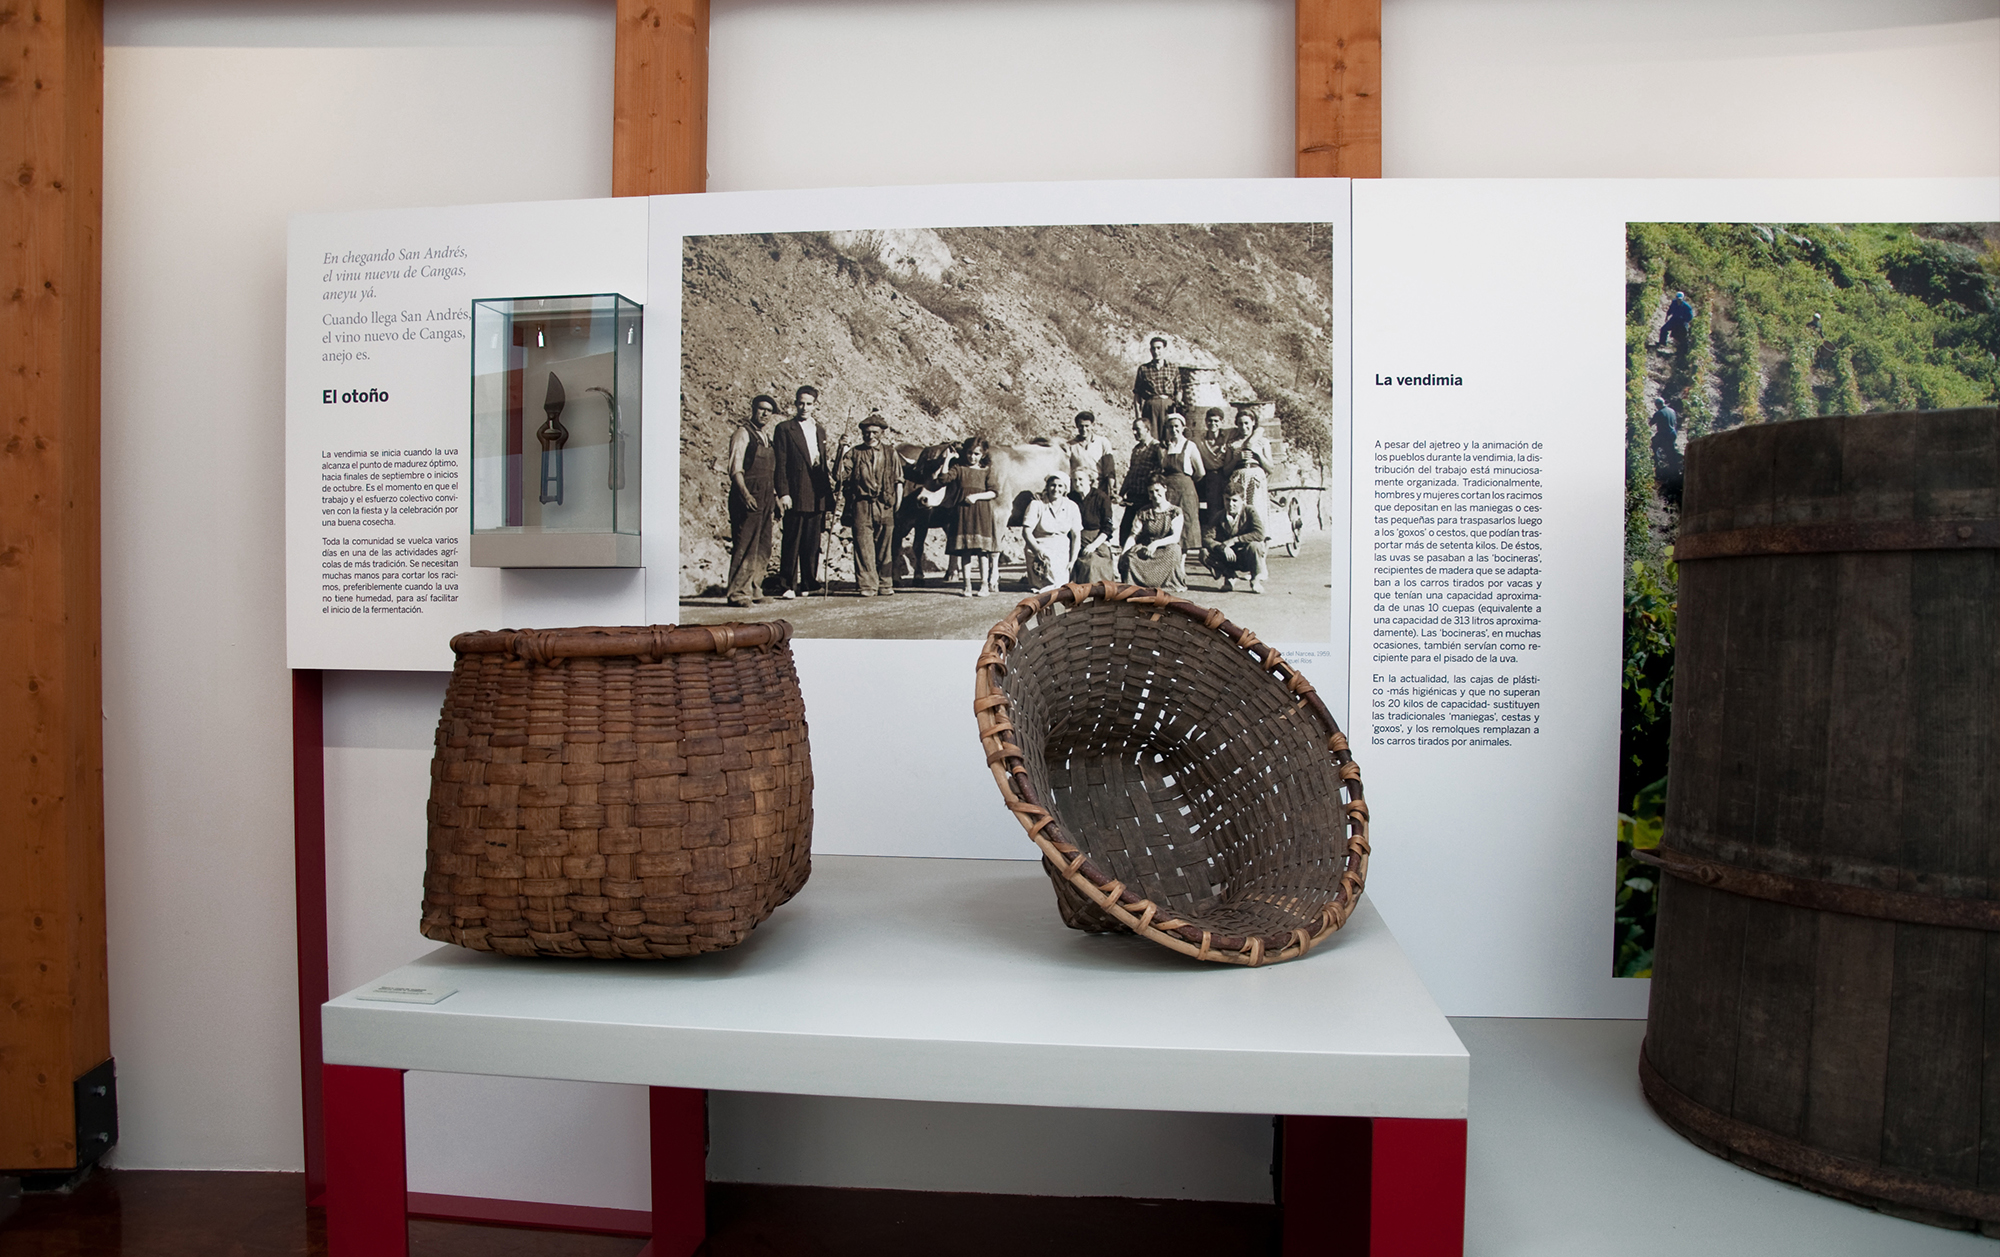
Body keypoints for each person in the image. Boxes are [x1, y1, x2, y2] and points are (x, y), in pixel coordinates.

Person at [773, 385, 835, 598]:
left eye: (809, 404)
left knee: (812, 541)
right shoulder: (784, 428)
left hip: (816, 492)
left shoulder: (819, 429)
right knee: (792, 539)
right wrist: (783, 492)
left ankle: (809, 582)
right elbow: (780, 463)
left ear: (815, 405)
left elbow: (822, 462)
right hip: (796, 491)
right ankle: (788, 584)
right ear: (795, 403)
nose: (804, 407)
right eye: (801, 403)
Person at [723, 394, 781, 607]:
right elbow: (735, 468)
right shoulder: (742, 433)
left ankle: (755, 588)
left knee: (763, 544)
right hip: (748, 494)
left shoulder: (766, 437)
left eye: (769, 410)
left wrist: (774, 498)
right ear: (753, 409)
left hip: (766, 496)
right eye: (761, 409)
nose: (764, 413)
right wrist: (745, 494)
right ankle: (737, 592)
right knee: (745, 544)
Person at [841, 412, 903, 597]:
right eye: (867, 432)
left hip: (885, 504)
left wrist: (896, 503)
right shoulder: (854, 452)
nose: (870, 436)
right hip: (861, 504)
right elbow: (840, 476)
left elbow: (899, 479)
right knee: (863, 545)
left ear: (882, 433)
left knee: (885, 547)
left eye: (875, 432)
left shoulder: (891, 452)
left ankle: (885, 584)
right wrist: (841, 450)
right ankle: (867, 585)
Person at [939, 436, 999, 597]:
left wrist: (976, 497)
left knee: (982, 552)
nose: (972, 457)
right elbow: (943, 478)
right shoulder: (959, 468)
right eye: (970, 453)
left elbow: (994, 491)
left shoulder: (987, 470)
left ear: (983, 455)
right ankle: (967, 585)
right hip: (963, 512)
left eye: (977, 454)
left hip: (981, 513)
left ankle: (984, 585)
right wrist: (948, 460)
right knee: (965, 551)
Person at [1120, 476, 1185, 592]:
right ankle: (1139, 583)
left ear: (1165, 488)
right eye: (1151, 492)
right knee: (1130, 557)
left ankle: (1166, 583)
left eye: (1157, 491)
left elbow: (1175, 537)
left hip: (1165, 549)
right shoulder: (1143, 512)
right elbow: (1133, 536)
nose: (1155, 495)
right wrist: (1123, 553)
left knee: (1175, 550)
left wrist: (1155, 544)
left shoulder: (1175, 512)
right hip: (1146, 549)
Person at [1022, 474, 1082, 593]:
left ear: (1065, 489)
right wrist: (1037, 550)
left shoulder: (1072, 506)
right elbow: (1026, 532)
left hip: (1061, 548)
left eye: (1060, 486)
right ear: (1047, 487)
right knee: (1046, 585)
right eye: (1053, 485)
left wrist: (1072, 560)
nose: (1056, 489)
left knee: (1059, 585)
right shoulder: (1036, 504)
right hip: (1039, 546)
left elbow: (1076, 535)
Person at [1156, 411, 1206, 554]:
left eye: (1177, 426)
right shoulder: (1164, 447)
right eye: (1170, 427)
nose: (1174, 430)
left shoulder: (1190, 446)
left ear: (1183, 427)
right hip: (1168, 489)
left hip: (1186, 489)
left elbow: (1201, 472)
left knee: (1185, 523)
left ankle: (1182, 563)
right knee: (1168, 520)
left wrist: (1187, 482)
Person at [1206, 486, 1267, 594]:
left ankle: (1255, 579)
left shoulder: (1249, 511)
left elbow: (1260, 533)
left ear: (1242, 501)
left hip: (1245, 554)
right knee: (1204, 553)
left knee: (1255, 546)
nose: (1230, 504)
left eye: (1235, 500)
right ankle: (1229, 576)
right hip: (1228, 557)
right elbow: (1207, 537)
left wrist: (1236, 540)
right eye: (1227, 499)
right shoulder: (1219, 515)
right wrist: (1222, 547)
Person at [1220, 409, 1276, 526]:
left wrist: (1258, 454)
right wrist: (1236, 459)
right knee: (1238, 509)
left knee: (1257, 508)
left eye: (1246, 423)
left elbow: (1270, 468)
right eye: (1240, 423)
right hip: (1238, 478)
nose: (1243, 427)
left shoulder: (1262, 441)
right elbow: (1226, 471)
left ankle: (1259, 538)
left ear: (1253, 423)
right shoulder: (1232, 443)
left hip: (1255, 478)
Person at [1118, 416, 1161, 545]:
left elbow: (1160, 472)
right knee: (1125, 530)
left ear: (1147, 429)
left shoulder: (1156, 447)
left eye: (1138, 429)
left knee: (1144, 531)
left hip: (1147, 498)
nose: (1135, 433)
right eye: (1133, 430)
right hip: (1133, 496)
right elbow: (1131, 473)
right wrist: (1121, 494)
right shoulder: (1136, 449)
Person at [1072, 470, 1120, 583]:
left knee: (1092, 562)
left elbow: (1107, 527)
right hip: (1075, 538)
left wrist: (1093, 545)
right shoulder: (1071, 497)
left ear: (1090, 481)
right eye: (1074, 480)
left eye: (1080, 479)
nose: (1077, 483)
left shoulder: (1101, 498)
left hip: (1097, 539)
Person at [1131, 336, 1182, 440]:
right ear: (1150, 350)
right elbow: (1137, 394)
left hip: (1168, 406)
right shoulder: (1144, 369)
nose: (1156, 351)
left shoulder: (1173, 368)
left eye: (1159, 348)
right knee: (1151, 438)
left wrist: (1177, 407)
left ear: (1164, 349)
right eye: (1153, 348)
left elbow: (1178, 390)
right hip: (1150, 407)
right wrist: (1138, 416)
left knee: (1169, 437)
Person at [1194, 406, 1231, 541]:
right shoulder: (1199, 440)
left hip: (1226, 473)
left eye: (1216, 421)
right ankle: (1215, 538)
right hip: (1210, 477)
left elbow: (1251, 428)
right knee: (1214, 509)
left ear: (1221, 422)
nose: (1213, 424)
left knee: (1230, 505)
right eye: (1210, 421)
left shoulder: (1227, 435)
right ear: (1205, 422)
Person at [1062, 411, 1113, 509]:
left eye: (1087, 426)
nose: (1084, 429)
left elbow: (1109, 467)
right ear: (1077, 426)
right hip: (1078, 488)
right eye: (1081, 426)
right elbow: (1067, 469)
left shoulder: (1103, 442)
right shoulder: (1070, 445)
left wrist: (1112, 487)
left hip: (1098, 487)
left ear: (1092, 425)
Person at [1651, 397, 1683, 507]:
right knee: (1670, 452)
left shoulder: (1659, 413)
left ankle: (1657, 465)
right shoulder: (1672, 411)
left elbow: (1650, 423)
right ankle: (1675, 470)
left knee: (1652, 447)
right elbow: (1675, 422)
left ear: (1657, 405)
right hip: (1672, 433)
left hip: (1663, 435)